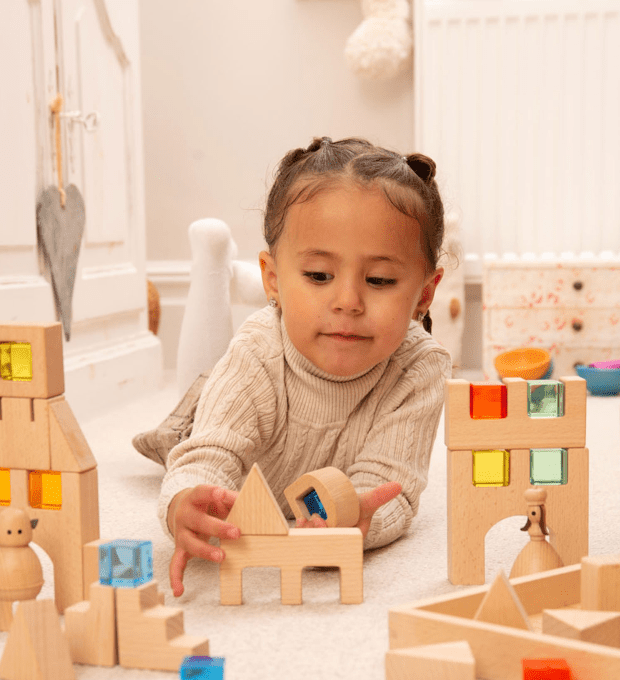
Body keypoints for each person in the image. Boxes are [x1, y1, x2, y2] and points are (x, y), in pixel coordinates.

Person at [146, 136, 451, 597]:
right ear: (274, 277)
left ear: (424, 296)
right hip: (215, 411)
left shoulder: (420, 367)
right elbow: (208, 456)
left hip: (295, 449)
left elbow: (389, 488)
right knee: (177, 431)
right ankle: (214, 262)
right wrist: (184, 501)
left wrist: (355, 522)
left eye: (380, 280)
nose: (348, 302)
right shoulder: (256, 349)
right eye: (318, 276)